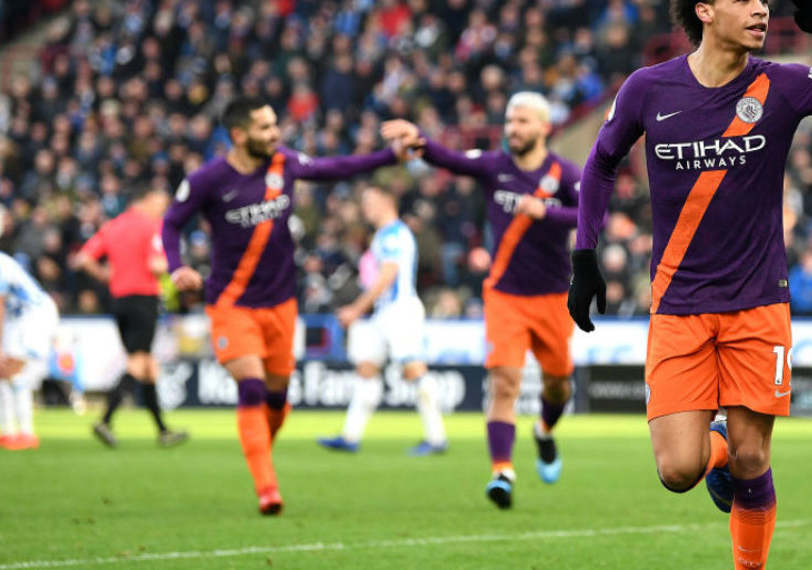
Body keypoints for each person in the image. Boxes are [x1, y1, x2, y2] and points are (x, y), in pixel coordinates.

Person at [567, 0, 812, 569]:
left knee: (755, 460)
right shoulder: (649, 88)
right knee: (678, 470)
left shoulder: (781, 85)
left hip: (758, 304)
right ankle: (715, 444)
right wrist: (584, 255)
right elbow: (600, 163)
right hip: (679, 304)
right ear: (704, 11)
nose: (760, 11)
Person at [162, 97, 401, 515]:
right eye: (265, 128)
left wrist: (388, 156)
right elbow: (170, 223)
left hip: (280, 303)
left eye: (275, 125)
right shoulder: (209, 180)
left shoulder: (284, 163)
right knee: (251, 386)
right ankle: (267, 488)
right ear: (239, 135)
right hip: (231, 304)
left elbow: (334, 169)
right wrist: (177, 266)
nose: (275, 134)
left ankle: (259, 451)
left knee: (276, 398)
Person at [381, 91, 581, 510]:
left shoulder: (564, 174)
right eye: (510, 120)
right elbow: (449, 158)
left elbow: (592, 214)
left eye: (523, 121)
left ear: (545, 127)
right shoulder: (495, 167)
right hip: (504, 295)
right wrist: (418, 139)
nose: (513, 128)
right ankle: (502, 472)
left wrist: (548, 213)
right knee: (504, 383)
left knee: (558, 383)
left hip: (553, 296)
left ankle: (544, 432)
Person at [317, 183, 448, 455]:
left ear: (387, 201)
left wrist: (355, 309)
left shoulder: (394, 234)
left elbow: (387, 276)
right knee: (366, 368)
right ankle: (350, 436)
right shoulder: (383, 235)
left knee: (413, 369)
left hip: (400, 310)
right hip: (384, 312)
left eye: (369, 200)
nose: (365, 206)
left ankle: (437, 438)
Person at [75, 188, 188, 448]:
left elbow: (83, 258)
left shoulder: (112, 226)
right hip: (143, 299)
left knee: (148, 366)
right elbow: (155, 265)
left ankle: (163, 430)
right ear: (147, 201)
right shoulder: (153, 226)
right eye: (161, 204)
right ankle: (105, 419)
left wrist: (106, 276)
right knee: (138, 361)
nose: (164, 210)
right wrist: (177, 266)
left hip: (119, 301)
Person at [0, 248, 60, 451]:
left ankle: (26, 432)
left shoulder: (1, 264)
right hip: (18, 319)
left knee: (13, 370)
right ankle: (7, 431)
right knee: (4, 373)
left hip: (33, 315)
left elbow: (0, 305)